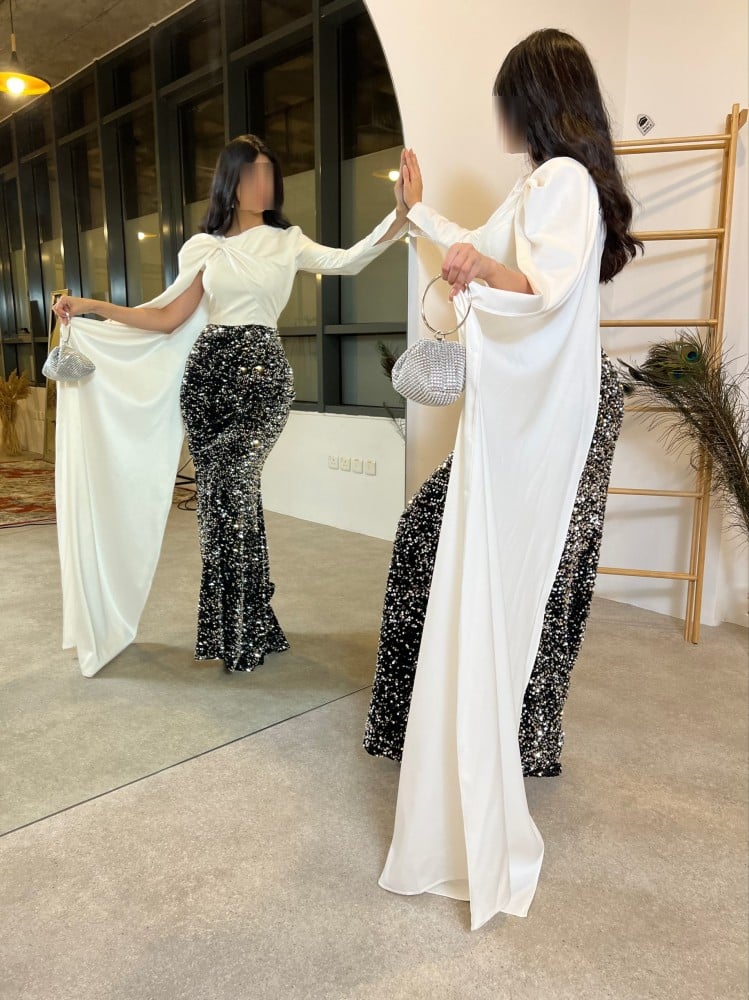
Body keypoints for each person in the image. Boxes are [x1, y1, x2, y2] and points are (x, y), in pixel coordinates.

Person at [367, 29, 642, 930]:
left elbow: (545, 286)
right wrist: (418, 216)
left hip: (553, 413)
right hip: (540, 409)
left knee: (515, 581)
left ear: (535, 98)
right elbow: (476, 246)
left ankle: (504, 748)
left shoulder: (563, 181)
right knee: (480, 569)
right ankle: (469, 746)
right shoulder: (539, 185)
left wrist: (483, 271)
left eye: (505, 97)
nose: (496, 114)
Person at [53, 134, 408, 678]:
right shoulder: (204, 248)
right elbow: (166, 318)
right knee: (221, 506)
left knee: (236, 492)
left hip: (264, 379)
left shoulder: (287, 240)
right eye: (252, 173)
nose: (264, 182)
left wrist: (401, 214)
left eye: (270, 171)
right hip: (207, 380)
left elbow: (352, 260)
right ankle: (243, 626)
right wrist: (91, 306)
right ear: (230, 182)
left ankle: (241, 629)